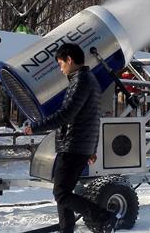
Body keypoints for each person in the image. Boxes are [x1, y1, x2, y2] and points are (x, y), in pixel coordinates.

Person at [24, 43, 119, 233]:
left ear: (69, 60)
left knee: (61, 193)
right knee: (64, 193)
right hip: (79, 145)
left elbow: (66, 114)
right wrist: (91, 148)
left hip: (73, 145)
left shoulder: (81, 81)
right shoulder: (88, 80)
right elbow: (94, 118)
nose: (61, 69)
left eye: (61, 64)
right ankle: (66, 229)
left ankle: (103, 216)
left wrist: (34, 128)